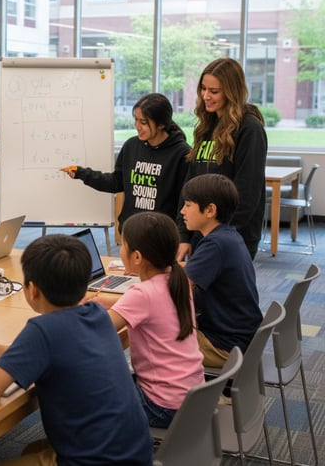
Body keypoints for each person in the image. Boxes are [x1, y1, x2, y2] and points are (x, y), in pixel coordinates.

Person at [0, 233, 152, 465]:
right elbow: (62, 350)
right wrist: (6, 351)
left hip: (93, 461)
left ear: (32, 289)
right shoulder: (98, 315)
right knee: (32, 449)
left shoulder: (42, 330)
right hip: (135, 454)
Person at [94, 212, 204, 428]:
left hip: (162, 406)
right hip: (192, 397)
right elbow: (148, 306)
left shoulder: (142, 294)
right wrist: (104, 302)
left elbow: (97, 330)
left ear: (136, 257)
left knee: (90, 389)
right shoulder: (176, 280)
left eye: (123, 245)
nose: (120, 250)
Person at [178, 58, 267, 260]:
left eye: (214, 91)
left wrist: (217, 234)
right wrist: (184, 234)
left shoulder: (249, 129)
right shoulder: (207, 126)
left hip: (231, 237)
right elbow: (189, 186)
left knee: (221, 291)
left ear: (231, 91)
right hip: (200, 233)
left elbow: (247, 193)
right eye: (203, 89)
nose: (206, 96)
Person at [62, 93, 190, 231]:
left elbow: (185, 201)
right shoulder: (131, 145)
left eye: (143, 122)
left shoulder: (182, 153)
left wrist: (183, 236)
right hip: (131, 230)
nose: (137, 126)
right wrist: (82, 173)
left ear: (161, 124)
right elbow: (116, 182)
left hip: (162, 235)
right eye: (136, 119)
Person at [180, 173, 262, 367]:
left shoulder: (215, 244)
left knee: (154, 339)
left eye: (188, 205)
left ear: (210, 210)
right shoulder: (228, 236)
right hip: (241, 338)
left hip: (225, 346)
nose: (182, 211)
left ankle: (167, 396)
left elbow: (178, 287)